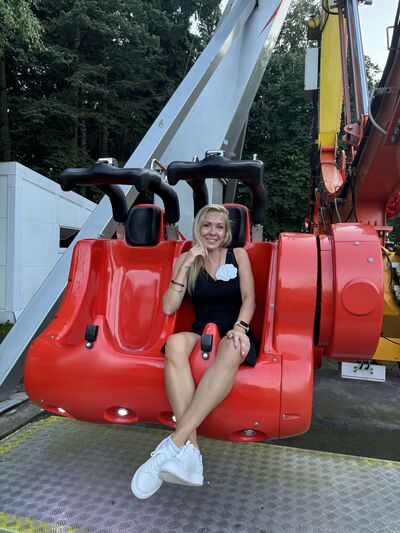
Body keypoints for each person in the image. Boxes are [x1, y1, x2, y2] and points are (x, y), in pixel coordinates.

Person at [131, 204, 257, 499]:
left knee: (231, 347)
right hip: (202, 330)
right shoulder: (187, 258)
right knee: (175, 343)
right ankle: (192, 452)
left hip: (233, 329)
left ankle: (173, 445)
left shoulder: (238, 255)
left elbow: (250, 298)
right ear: (198, 228)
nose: (213, 232)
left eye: (219, 227)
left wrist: (240, 328)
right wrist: (187, 264)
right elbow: (168, 307)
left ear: (227, 232)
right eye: (207, 225)